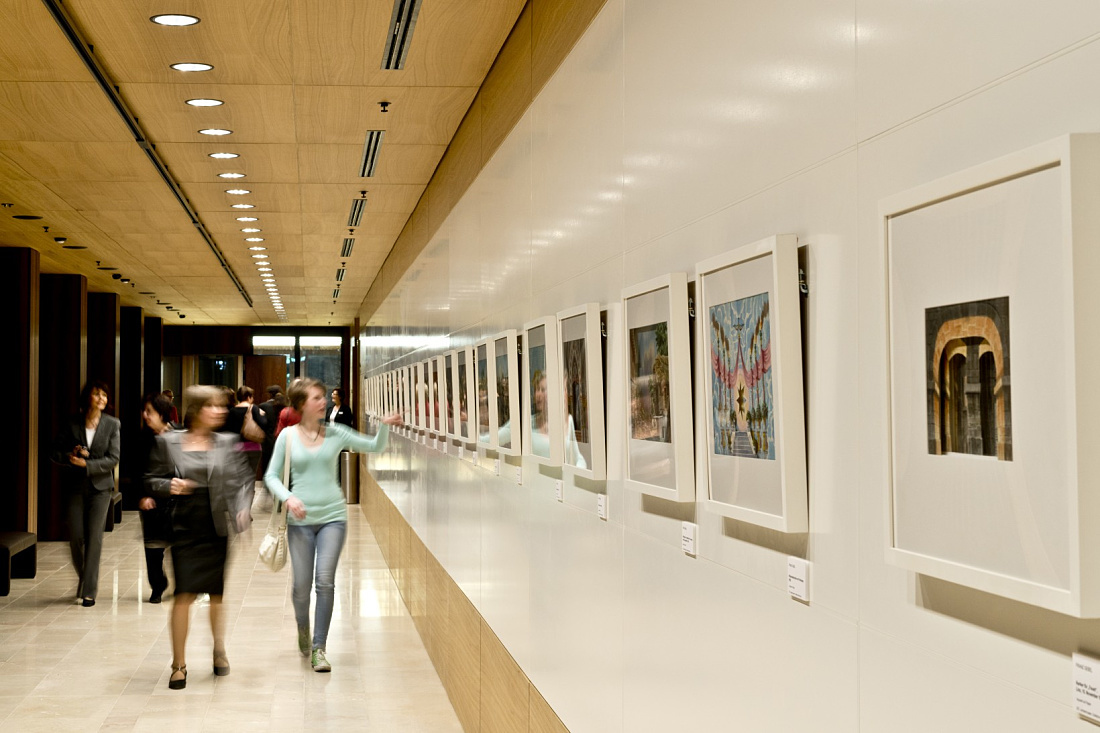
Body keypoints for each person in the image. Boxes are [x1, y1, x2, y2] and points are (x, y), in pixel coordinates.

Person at [265, 378, 402, 672]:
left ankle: (319, 647)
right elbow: (271, 476)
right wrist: (288, 498)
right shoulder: (287, 437)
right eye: (316, 398)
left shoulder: (337, 432)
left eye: (323, 397)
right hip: (299, 522)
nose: (323, 401)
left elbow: (374, 446)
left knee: (325, 582)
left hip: (333, 518)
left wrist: (386, 425)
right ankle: (303, 628)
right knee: (302, 587)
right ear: (301, 404)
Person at [145, 385, 254, 690]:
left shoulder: (227, 442)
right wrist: (169, 486)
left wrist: (242, 509)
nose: (220, 411)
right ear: (196, 410)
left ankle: (219, 649)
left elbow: (242, 481)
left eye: (221, 406)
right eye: (213, 406)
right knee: (184, 594)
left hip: (216, 527)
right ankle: (178, 664)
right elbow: (149, 480)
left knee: (216, 594)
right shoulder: (169, 442)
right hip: (184, 528)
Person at [53, 381, 121, 607]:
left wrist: (87, 465)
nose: (102, 398)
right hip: (74, 486)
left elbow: (113, 458)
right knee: (76, 538)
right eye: (97, 394)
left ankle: (89, 591)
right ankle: (85, 577)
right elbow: (56, 452)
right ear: (87, 397)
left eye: (104, 395)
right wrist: (70, 455)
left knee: (95, 539)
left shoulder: (112, 424)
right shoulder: (72, 423)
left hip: (101, 488)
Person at [137, 393, 176, 603]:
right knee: (153, 548)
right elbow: (135, 471)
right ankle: (158, 586)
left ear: (162, 414)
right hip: (151, 498)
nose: (145, 415)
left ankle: (184, 583)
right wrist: (141, 496)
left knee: (178, 545)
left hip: (177, 498)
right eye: (143, 411)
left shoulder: (179, 434)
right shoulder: (142, 439)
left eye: (149, 411)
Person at [223, 385, 267, 477]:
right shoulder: (253, 408)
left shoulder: (232, 411)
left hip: (236, 447)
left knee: (239, 475)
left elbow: (229, 429)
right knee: (251, 474)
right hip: (253, 446)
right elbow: (263, 424)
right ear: (248, 397)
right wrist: (262, 415)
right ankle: (250, 491)